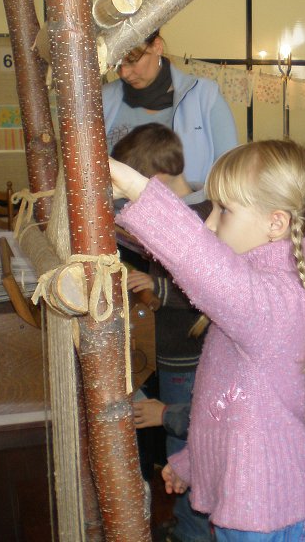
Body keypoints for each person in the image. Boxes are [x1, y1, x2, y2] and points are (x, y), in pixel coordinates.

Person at [109, 139, 305, 540]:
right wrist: (192, 462)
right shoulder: (255, 301)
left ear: (276, 224)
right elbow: (227, 407)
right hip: (248, 511)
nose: (210, 224)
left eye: (224, 210)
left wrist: (132, 185)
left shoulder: (276, 301)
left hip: (273, 515)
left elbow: (204, 264)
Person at [111, 123, 213, 542]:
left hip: (189, 354)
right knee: (179, 448)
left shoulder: (200, 216)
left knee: (186, 447)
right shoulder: (182, 213)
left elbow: (207, 290)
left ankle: (195, 531)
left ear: (152, 181)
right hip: (173, 351)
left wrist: (157, 286)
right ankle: (189, 523)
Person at [102, 30, 238, 185]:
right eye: (116, 65)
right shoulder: (102, 99)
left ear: (157, 46)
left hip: (191, 201)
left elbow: (230, 172)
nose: (124, 73)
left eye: (132, 60)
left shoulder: (204, 96)